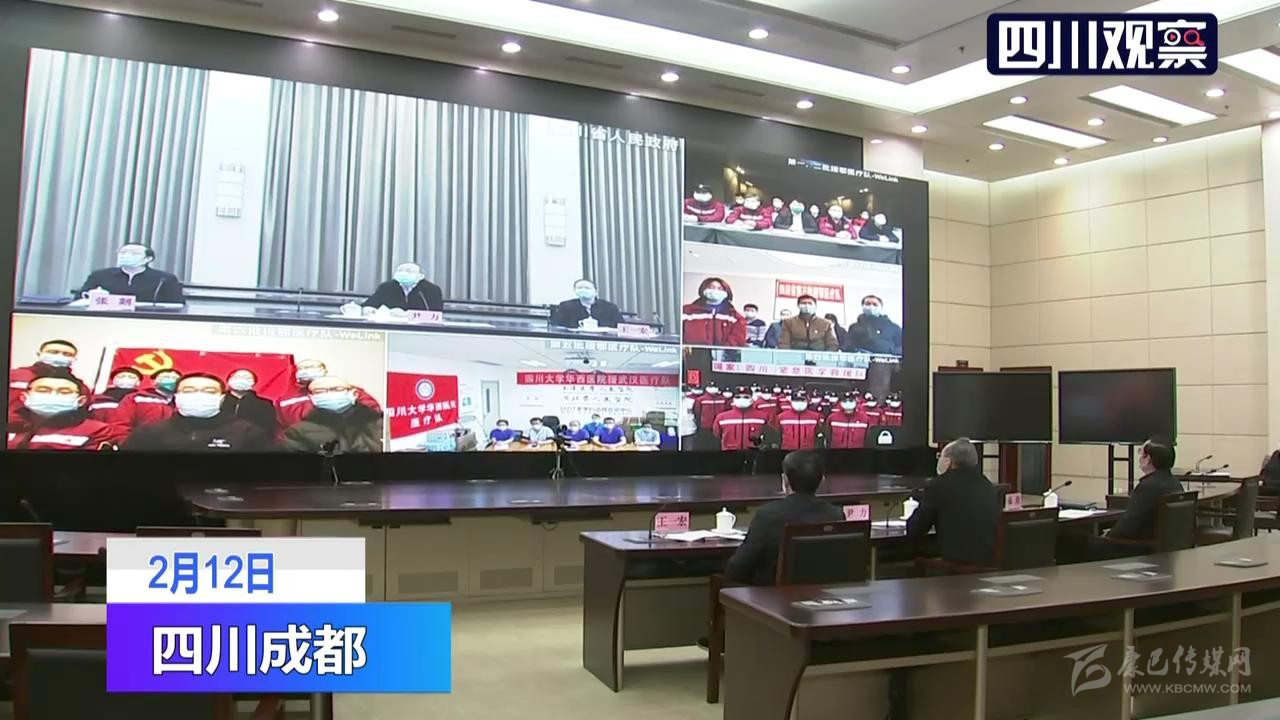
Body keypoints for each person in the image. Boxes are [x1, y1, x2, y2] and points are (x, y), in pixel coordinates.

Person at [724, 450, 844, 585]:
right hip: (821, 594)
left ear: (784, 480)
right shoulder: (836, 515)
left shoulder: (768, 515)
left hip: (773, 597)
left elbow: (737, 569)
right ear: (822, 481)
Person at [906, 438, 999, 568]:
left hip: (957, 565)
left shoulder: (939, 484)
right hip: (988, 564)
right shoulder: (987, 485)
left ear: (948, 461)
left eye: (940, 456)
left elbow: (915, 529)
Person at [123, 373, 273, 451]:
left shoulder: (247, 432)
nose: (199, 395)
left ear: (221, 398)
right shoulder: (149, 432)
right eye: (189, 390)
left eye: (209, 391)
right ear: (177, 396)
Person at [8, 368, 125, 451]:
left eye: (64, 392)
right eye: (43, 390)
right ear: (24, 397)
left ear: (80, 401)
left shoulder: (97, 430)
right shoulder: (9, 425)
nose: (53, 395)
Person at [1106, 438, 1185, 542]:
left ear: (1148, 459)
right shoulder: (1174, 482)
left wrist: (1106, 535)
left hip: (1139, 547)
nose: (1139, 458)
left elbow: (1128, 527)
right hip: (1165, 546)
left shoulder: (1148, 487)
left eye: (1141, 453)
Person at [281, 376, 384, 453]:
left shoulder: (378, 424)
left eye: (338, 389)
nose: (329, 394)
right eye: (320, 391)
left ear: (354, 394)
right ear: (311, 398)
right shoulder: (297, 432)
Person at [277, 359, 382, 428]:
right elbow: (288, 421)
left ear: (324, 370)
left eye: (314, 366)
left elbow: (373, 412)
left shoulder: (349, 389)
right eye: (302, 368)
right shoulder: (287, 399)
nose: (308, 370)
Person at [77, 243, 185, 304]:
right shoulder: (100, 276)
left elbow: (177, 304)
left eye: (134, 253)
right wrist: (91, 296)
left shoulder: (164, 279)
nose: (126, 256)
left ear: (148, 259)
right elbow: (79, 299)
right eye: (122, 252)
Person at [9, 339, 81, 410]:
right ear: (39, 354)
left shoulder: (78, 385)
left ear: (74, 359)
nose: (60, 356)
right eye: (53, 352)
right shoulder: (14, 375)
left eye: (67, 354)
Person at [682, 277, 746, 347]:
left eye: (720, 288)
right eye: (711, 287)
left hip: (723, 353)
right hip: (693, 352)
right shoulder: (686, 311)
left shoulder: (735, 317)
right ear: (703, 289)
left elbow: (738, 339)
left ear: (727, 292)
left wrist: (723, 350)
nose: (715, 290)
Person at [356, 262, 444, 312]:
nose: (403, 273)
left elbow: (435, 315)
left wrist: (407, 315)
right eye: (400, 271)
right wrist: (367, 310)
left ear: (420, 276)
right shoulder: (386, 287)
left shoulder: (432, 290)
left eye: (409, 271)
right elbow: (370, 305)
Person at [114, 368, 180, 429]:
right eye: (166, 377)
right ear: (153, 381)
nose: (171, 380)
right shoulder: (137, 398)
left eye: (175, 378)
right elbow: (121, 422)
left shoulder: (181, 401)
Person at [222, 369, 278, 436]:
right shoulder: (219, 400)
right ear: (229, 380)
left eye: (247, 378)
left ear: (253, 383)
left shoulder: (265, 404)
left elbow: (269, 427)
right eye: (237, 377)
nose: (241, 380)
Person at [549, 279, 623, 329]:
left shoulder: (610, 307)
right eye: (579, 288)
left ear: (596, 291)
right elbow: (556, 326)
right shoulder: (566, 306)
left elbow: (621, 327)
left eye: (587, 288)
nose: (583, 290)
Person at [711, 387, 768, 451]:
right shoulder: (721, 418)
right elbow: (716, 435)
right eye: (738, 397)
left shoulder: (763, 417)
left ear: (752, 398)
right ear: (733, 399)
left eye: (746, 397)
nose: (742, 399)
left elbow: (768, 436)